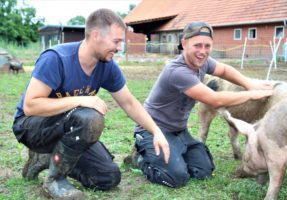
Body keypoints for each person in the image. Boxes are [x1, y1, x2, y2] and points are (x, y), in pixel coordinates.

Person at [12, 8, 169, 199]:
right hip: (31, 127)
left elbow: (129, 102)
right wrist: (81, 99)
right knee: (89, 116)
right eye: (116, 41)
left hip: (67, 129)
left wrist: (156, 131)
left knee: (108, 177)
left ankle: (45, 158)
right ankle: (54, 180)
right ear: (95, 35)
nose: (119, 47)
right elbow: (31, 106)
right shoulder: (56, 59)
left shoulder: (107, 65)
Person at [132, 21, 273, 188]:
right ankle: (141, 158)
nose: (203, 51)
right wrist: (251, 94)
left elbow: (225, 70)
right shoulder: (177, 71)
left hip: (178, 131)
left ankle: (173, 152)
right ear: (184, 44)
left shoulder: (202, 62)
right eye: (197, 45)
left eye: (207, 46)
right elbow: (215, 100)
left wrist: (248, 83)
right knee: (176, 177)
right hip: (152, 130)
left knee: (204, 171)